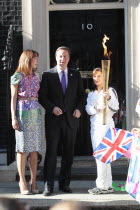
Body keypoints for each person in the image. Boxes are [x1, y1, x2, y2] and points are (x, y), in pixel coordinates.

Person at [38, 46, 86, 196]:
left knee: (68, 154)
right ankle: (48, 185)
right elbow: (42, 97)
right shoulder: (47, 75)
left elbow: (81, 96)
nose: (62, 59)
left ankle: (65, 184)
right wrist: (52, 108)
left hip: (71, 120)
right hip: (54, 120)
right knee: (51, 153)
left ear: (69, 58)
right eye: (60, 56)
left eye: (65, 56)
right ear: (55, 57)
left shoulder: (75, 74)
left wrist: (79, 109)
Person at [11, 49, 42, 195]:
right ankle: (22, 180)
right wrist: (14, 117)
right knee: (22, 149)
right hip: (22, 113)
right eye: (35, 58)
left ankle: (34, 180)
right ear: (28, 59)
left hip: (35, 113)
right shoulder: (17, 76)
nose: (37, 61)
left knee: (34, 148)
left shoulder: (37, 77)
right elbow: (13, 99)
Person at [85, 67, 119, 195]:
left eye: (99, 76)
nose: (97, 79)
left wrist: (109, 98)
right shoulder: (91, 93)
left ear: (104, 77)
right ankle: (107, 185)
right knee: (100, 156)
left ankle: (101, 185)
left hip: (106, 126)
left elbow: (116, 107)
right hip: (94, 127)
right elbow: (88, 109)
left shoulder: (110, 90)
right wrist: (97, 107)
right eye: (95, 76)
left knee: (103, 156)